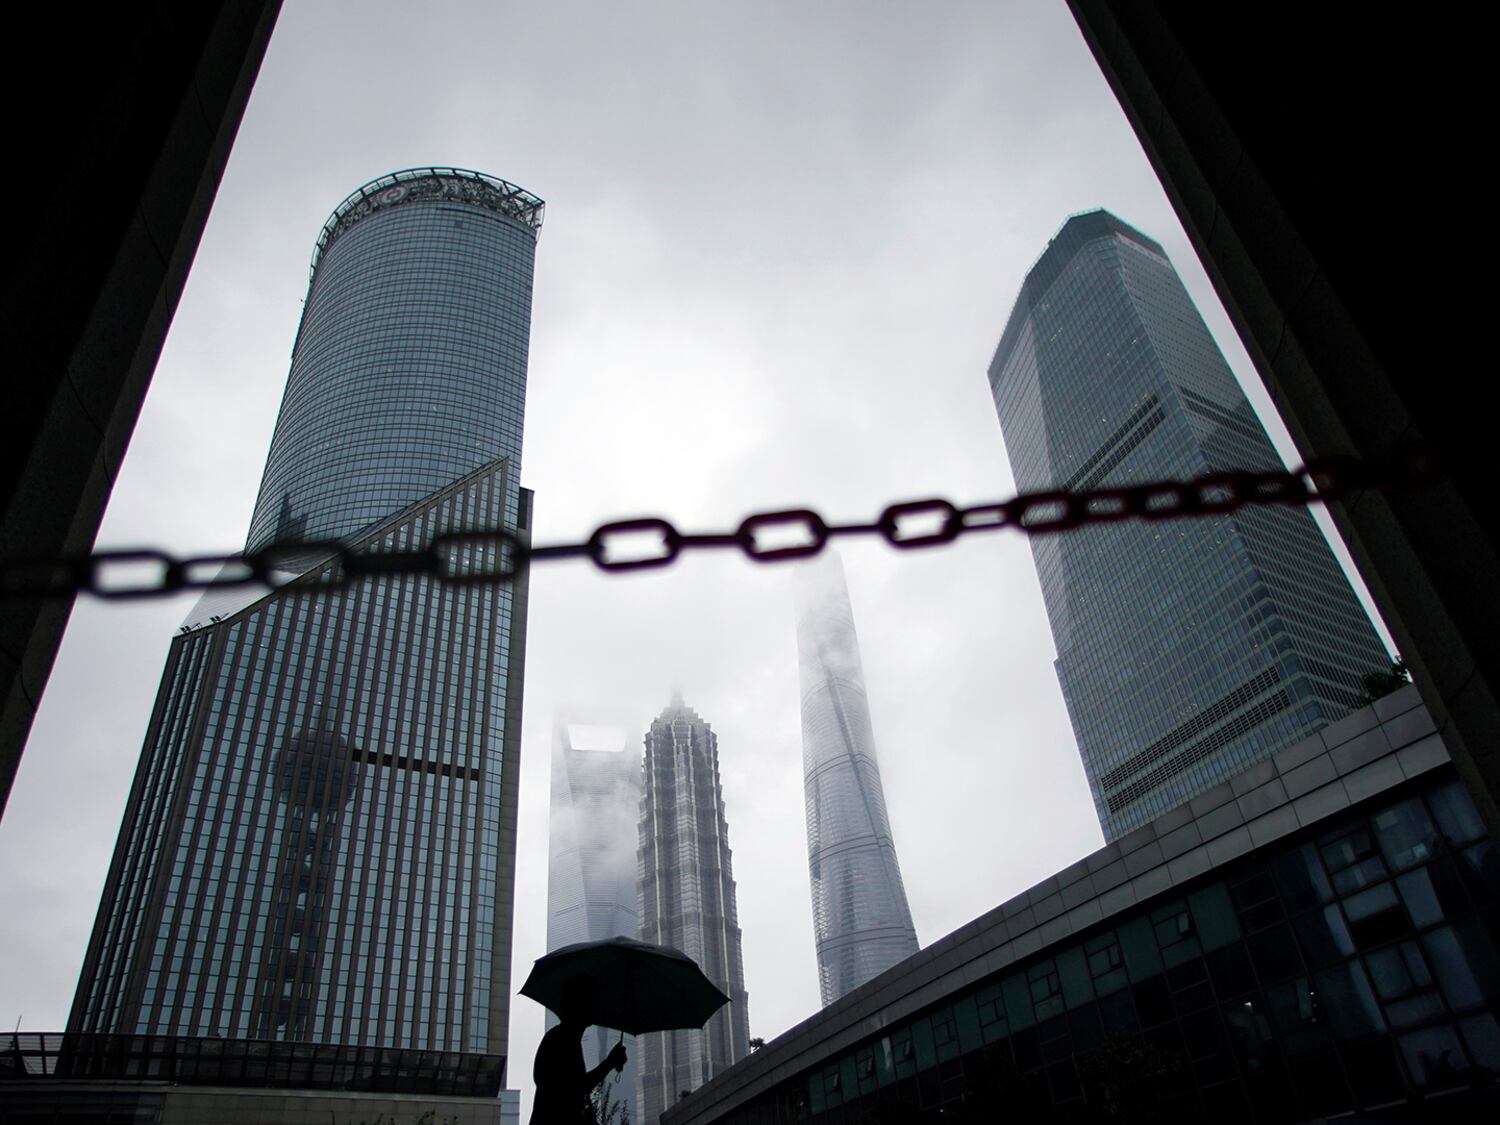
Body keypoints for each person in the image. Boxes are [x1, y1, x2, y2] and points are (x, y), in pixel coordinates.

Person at [531, 977, 627, 1124]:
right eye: (591, 1002)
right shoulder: (562, 1040)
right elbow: (575, 1087)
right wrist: (609, 1062)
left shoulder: (563, 1039)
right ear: (578, 1005)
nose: (596, 1007)